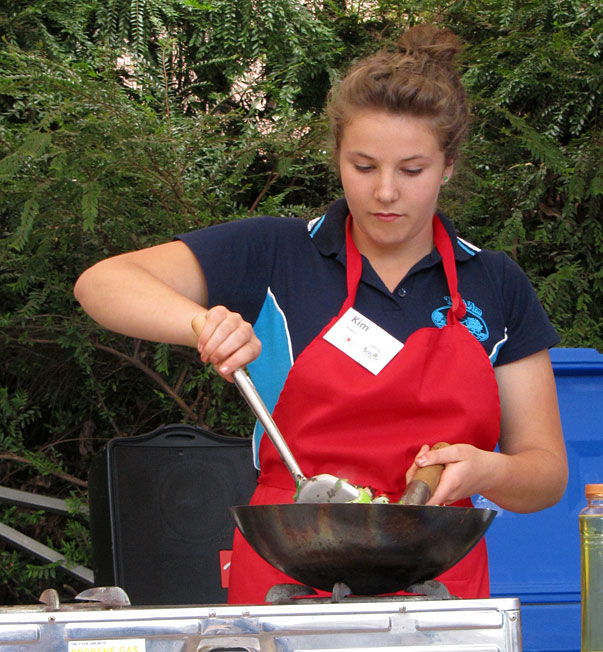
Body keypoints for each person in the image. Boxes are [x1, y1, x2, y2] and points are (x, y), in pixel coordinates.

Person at [74, 24, 568, 603]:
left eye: (412, 170)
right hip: (288, 573)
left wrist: (486, 472)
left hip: (437, 588)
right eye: (363, 166)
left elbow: (546, 472)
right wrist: (200, 323)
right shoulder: (275, 254)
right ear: (336, 157)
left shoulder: (496, 282)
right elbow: (101, 283)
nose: (386, 192)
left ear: (449, 165)